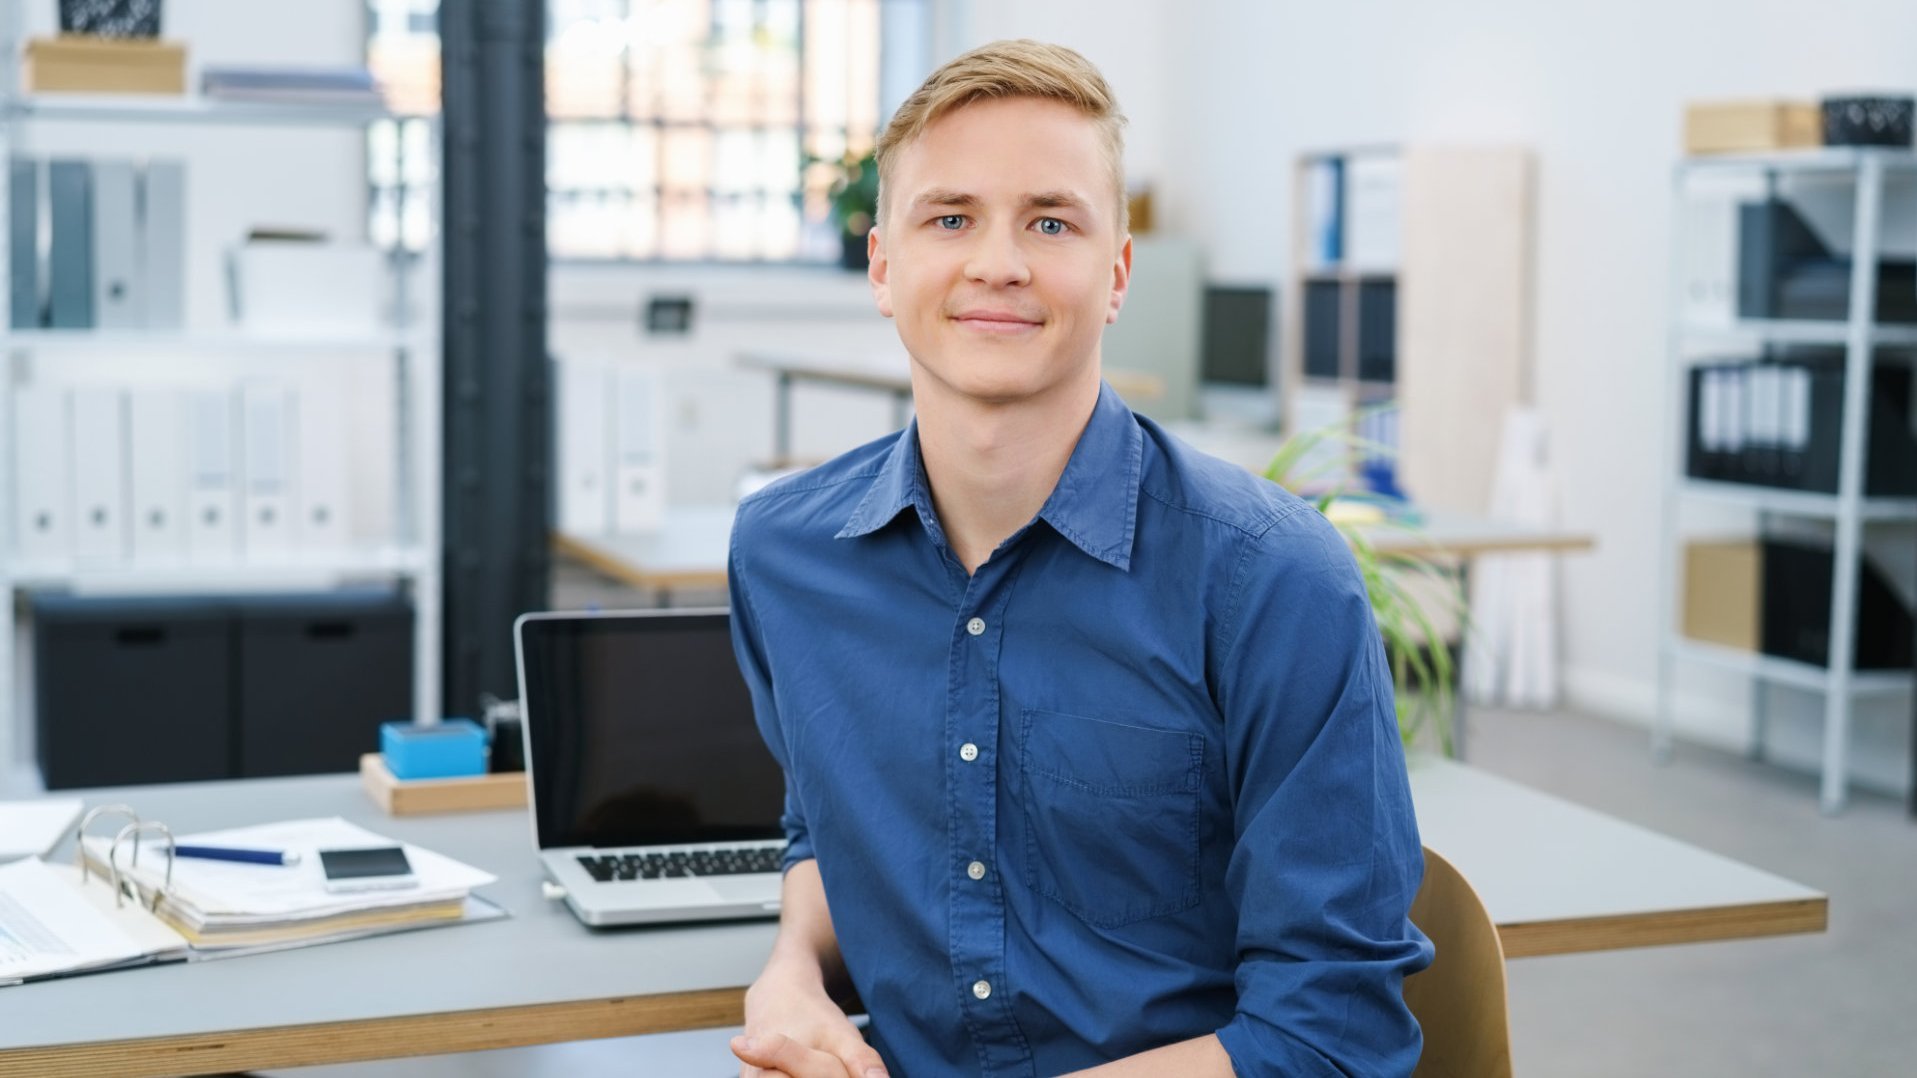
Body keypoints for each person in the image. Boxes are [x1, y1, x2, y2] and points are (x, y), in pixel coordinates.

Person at [726, 39, 1431, 1078]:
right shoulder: (785, 555)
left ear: (1117, 273)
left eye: (1050, 221)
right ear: (883, 264)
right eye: (950, 217)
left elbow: (1334, 1027)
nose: (998, 261)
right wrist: (792, 966)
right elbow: (823, 823)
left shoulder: (1273, 580)